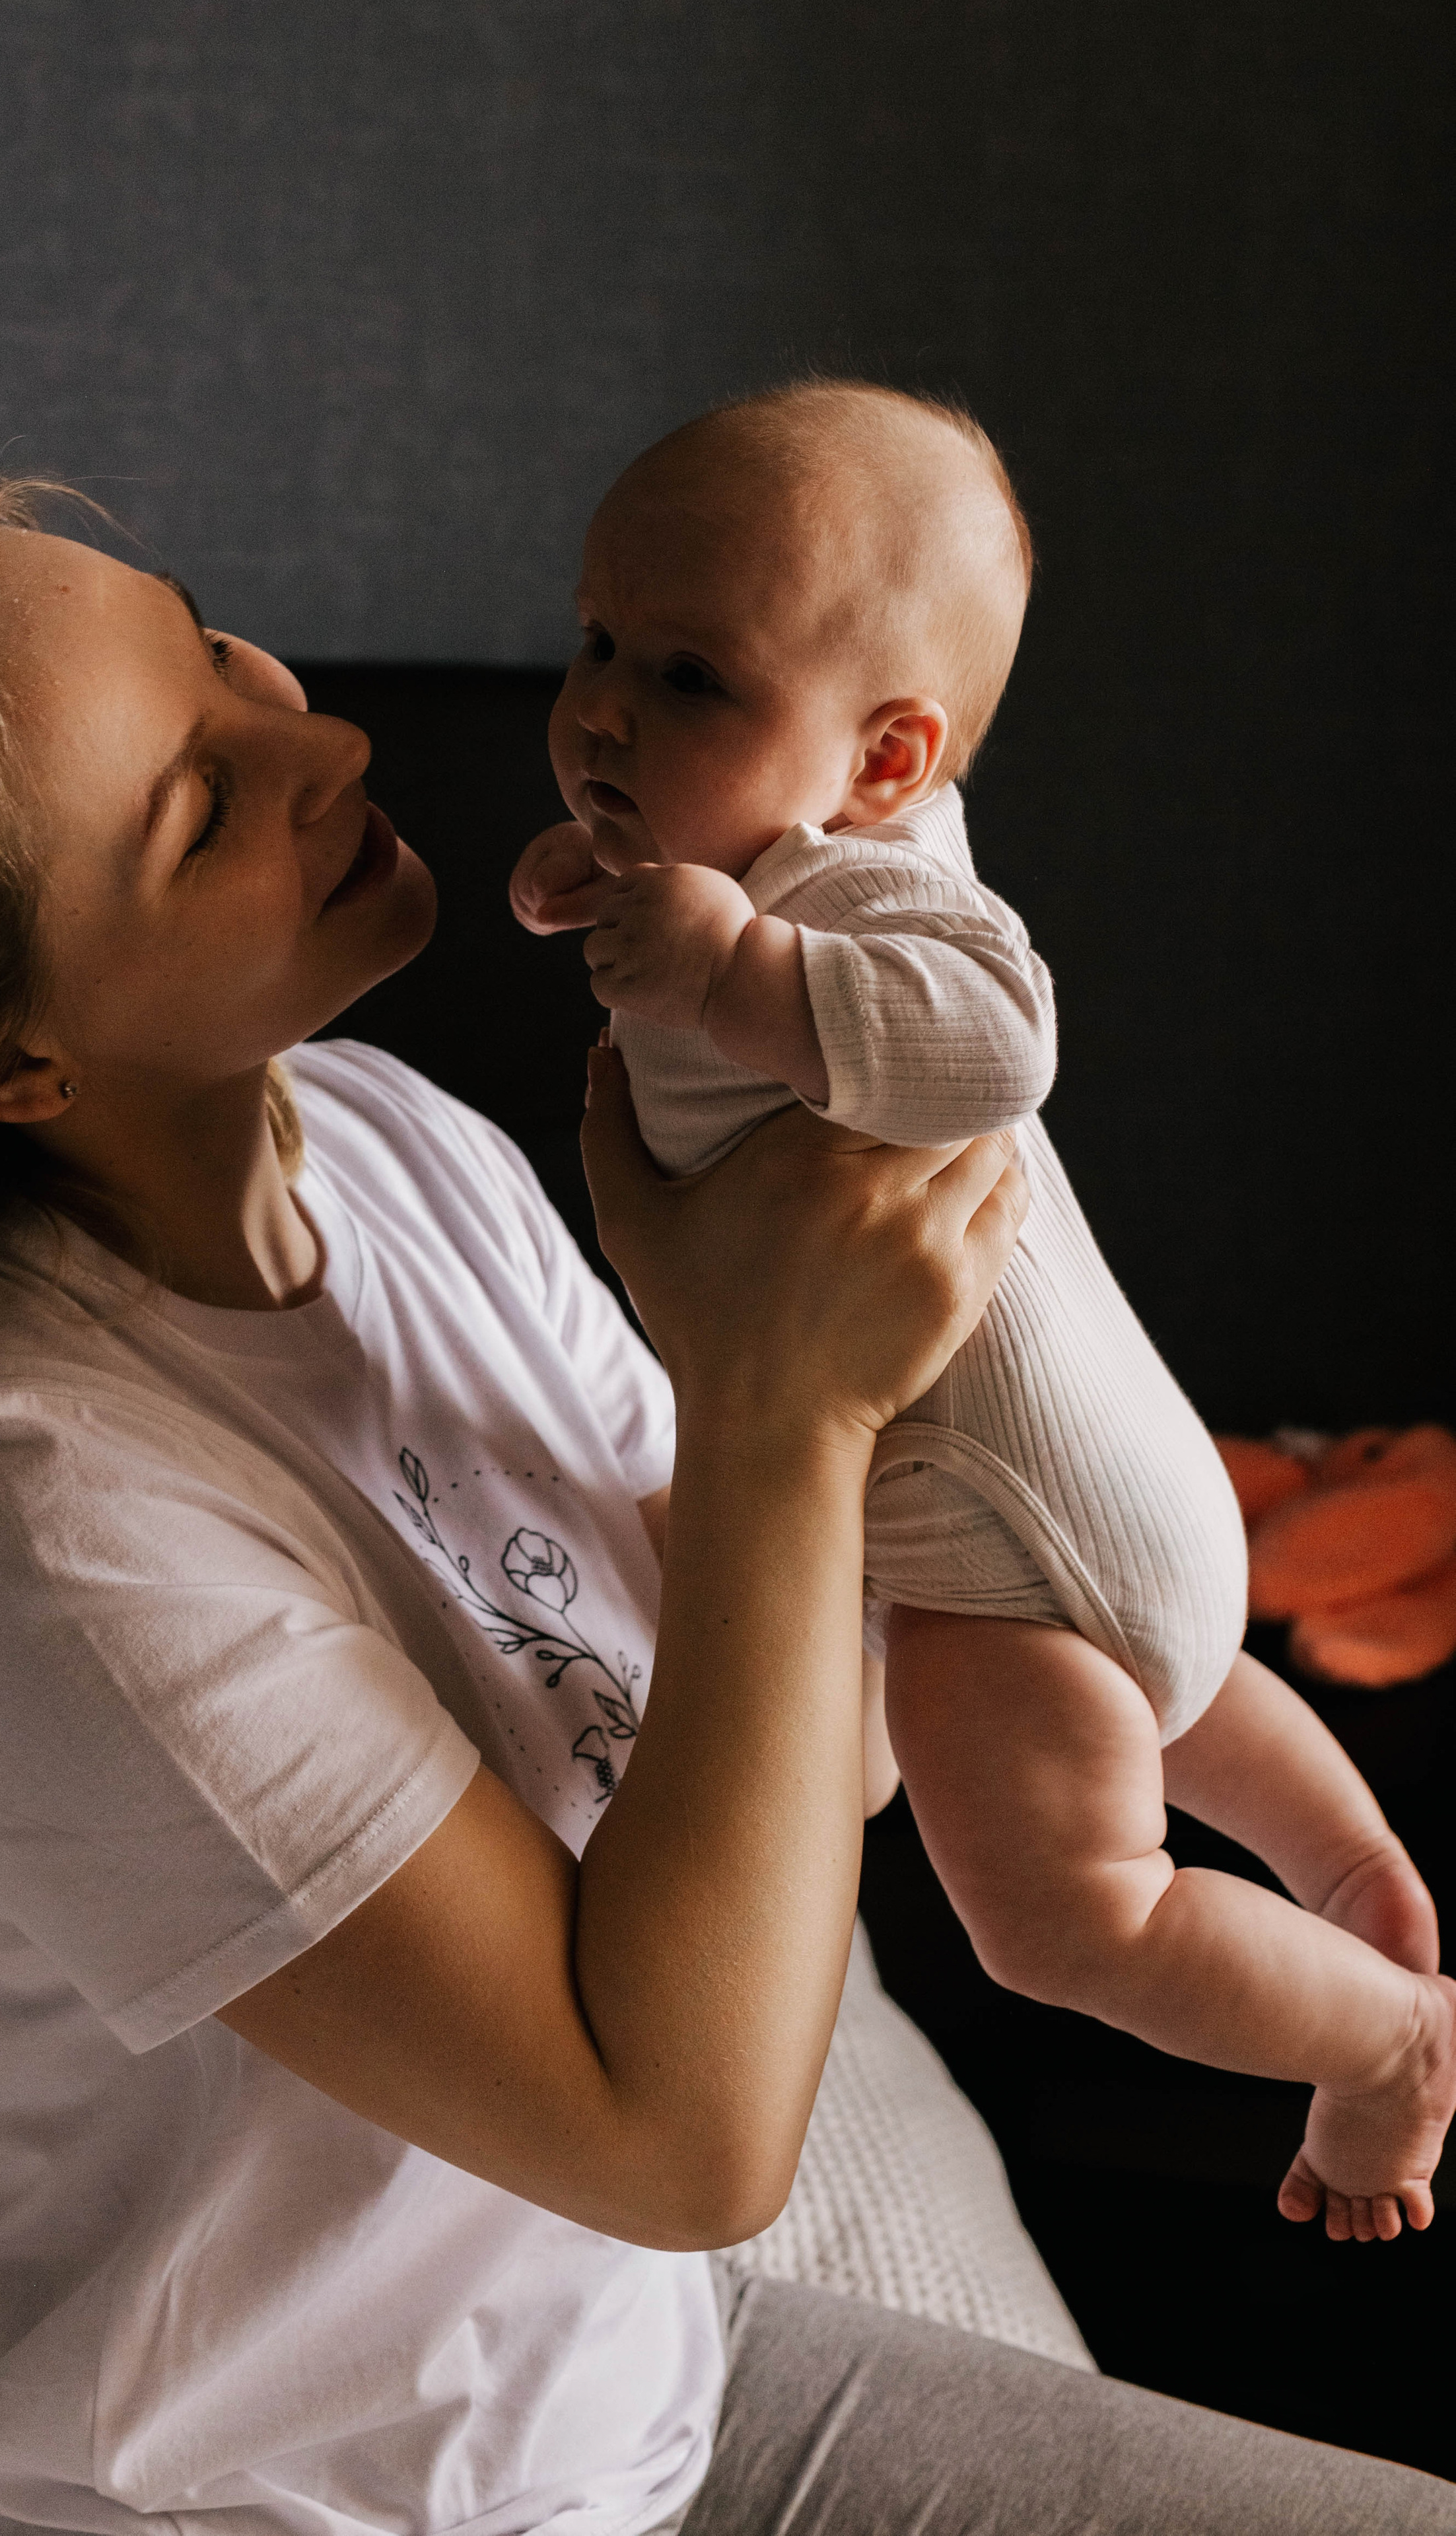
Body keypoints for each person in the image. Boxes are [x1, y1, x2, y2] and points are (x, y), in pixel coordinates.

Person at [0, 478, 1449, 2536]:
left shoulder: (383, 1145)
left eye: (214, 644)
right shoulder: (12, 1509)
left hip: (649, 2394)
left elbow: (801, 1771)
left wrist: (832, 1402)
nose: (325, 742)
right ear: (3, 1061)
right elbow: (689, 2139)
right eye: (200, 805)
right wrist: (774, 1404)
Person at [508, 380, 1455, 2243]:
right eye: (597, 641)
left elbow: (994, 1044)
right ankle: (1357, 1871)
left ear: (887, 764)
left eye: (688, 677)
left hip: (1008, 1553)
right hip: (1094, 1508)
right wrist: (630, 896)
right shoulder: (746, 855)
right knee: (1174, 1701)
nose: (603, 706)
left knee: (1065, 1918)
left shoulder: (858, 891)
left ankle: (1385, 2049)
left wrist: (740, 965)